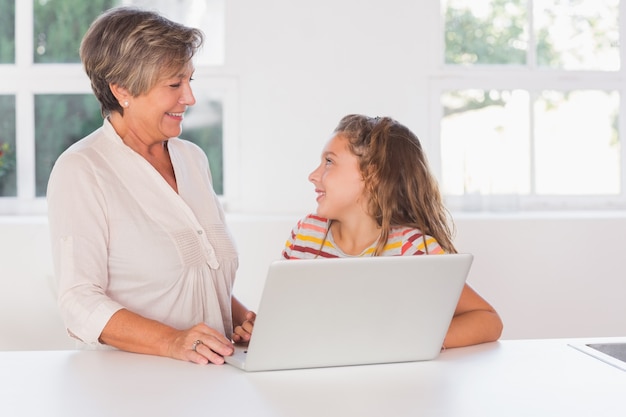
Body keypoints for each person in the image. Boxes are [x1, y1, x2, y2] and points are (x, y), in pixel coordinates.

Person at [47, 6, 255, 365]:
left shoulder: (193, 159)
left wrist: (242, 320)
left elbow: (201, 272)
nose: (189, 98)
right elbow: (79, 300)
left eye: (190, 81)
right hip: (131, 386)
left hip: (211, 381)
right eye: (174, 84)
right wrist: (173, 341)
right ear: (122, 89)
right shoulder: (83, 170)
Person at [234, 114, 502, 348]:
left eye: (329, 161)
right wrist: (263, 331)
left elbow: (487, 319)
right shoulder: (306, 234)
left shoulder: (412, 249)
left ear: (371, 175)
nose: (313, 175)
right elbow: (288, 317)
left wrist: (412, 341)